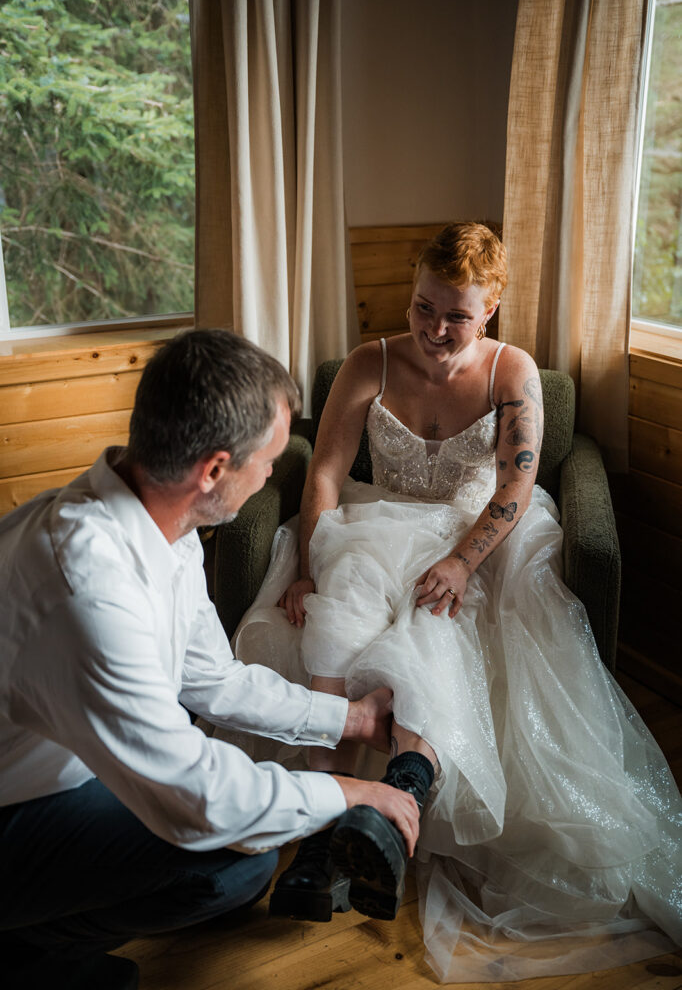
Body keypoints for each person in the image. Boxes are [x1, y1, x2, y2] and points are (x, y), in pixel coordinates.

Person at [230, 223, 682, 982]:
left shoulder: (514, 372)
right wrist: (306, 564)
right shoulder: (370, 361)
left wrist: (464, 562)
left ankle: (392, 807)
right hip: (379, 521)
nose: (436, 330)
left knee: (436, 631)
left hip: (479, 535)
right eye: (423, 308)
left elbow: (514, 484)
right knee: (331, 630)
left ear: (492, 309)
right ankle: (322, 840)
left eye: (457, 315)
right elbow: (326, 476)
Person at [0, 328, 420, 990]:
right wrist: (344, 791)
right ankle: (22, 957)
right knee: (229, 863)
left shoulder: (160, 518)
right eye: (269, 462)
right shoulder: (87, 586)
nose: (272, 477)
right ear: (215, 470)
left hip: (53, 770)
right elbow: (194, 798)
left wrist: (350, 721)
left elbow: (211, 680)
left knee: (238, 852)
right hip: (10, 809)